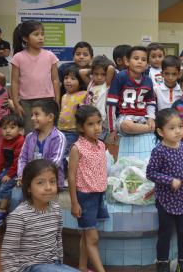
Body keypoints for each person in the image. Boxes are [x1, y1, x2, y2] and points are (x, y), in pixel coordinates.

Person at [1, 159, 79, 272]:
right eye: (40, 182)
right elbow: (8, 254)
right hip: (30, 266)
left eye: (52, 181)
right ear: (28, 187)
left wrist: (59, 263)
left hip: (53, 265)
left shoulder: (56, 209)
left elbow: (58, 240)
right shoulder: (19, 216)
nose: (48, 187)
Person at [146, 108, 183, 272]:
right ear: (160, 131)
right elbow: (150, 173)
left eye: (180, 127)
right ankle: (162, 263)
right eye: (172, 128)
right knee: (165, 233)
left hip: (181, 198)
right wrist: (169, 180)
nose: (178, 131)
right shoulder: (159, 151)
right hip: (165, 200)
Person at [68, 105, 108, 272]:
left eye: (98, 122)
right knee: (93, 238)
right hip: (84, 197)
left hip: (98, 195)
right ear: (80, 127)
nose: (97, 127)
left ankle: (83, 268)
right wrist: (74, 203)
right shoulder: (77, 148)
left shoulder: (101, 145)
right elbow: (71, 177)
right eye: (91, 124)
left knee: (86, 235)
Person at [11, 20, 60, 134]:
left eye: (42, 34)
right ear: (25, 38)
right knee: (31, 133)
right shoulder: (18, 57)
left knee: (48, 132)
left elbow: (55, 80)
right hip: (27, 104)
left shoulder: (50, 56)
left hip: (47, 101)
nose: (41, 37)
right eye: (36, 34)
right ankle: (32, 152)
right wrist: (16, 103)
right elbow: (14, 82)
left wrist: (57, 100)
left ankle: (48, 152)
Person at [107, 46, 156, 137]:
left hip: (143, 118)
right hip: (125, 117)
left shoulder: (148, 80)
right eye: (136, 58)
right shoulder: (120, 77)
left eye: (143, 59)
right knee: (127, 125)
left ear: (147, 64)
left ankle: (147, 128)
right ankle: (150, 129)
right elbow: (111, 104)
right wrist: (112, 129)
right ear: (127, 61)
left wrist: (151, 118)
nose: (140, 62)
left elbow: (151, 102)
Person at [17, 100, 66, 189]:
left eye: (36, 114)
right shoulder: (29, 137)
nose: (32, 118)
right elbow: (22, 158)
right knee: (16, 196)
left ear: (50, 117)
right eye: (32, 115)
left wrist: (36, 176)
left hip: (50, 183)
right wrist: (22, 175)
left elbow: (55, 161)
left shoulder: (59, 137)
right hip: (30, 180)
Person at [58, 66, 87, 172]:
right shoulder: (64, 96)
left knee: (67, 154)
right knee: (61, 152)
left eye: (73, 78)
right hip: (61, 130)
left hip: (73, 131)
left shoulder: (84, 94)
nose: (68, 81)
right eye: (66, 78)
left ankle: (66, 174)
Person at [80, 55, 115, 141]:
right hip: (89, 118)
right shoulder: (91, 83)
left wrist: (99, 65)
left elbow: (111, 68)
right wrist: (94, 67)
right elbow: (81, 71)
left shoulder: (106, 84)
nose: (99, 77)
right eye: (96, 74)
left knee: (99, 143)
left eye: (103, 74)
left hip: (101, 122)